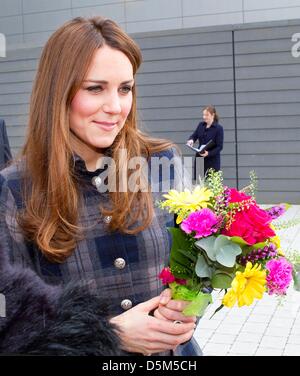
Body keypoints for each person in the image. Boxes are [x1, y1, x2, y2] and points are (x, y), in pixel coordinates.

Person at [0, 16, 201, 356]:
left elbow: (194, 260)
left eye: (125, 88)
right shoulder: (14, 190)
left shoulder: (161, 162)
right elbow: (13, 320)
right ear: (58, 93)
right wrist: (107, 334)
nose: (115, 107)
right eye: (95, 88)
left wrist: (188, 304)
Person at [187, 106, 224, 178]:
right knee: (199, 183)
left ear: (213, 115)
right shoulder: (201, 125)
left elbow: (219, 147)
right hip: (200, 158)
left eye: (206, 115)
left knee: (211, 184)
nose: (204, 117)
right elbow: (194, 135)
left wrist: (208, 153)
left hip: (212, 161)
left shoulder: (218, 128)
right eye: (203, 115)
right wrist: (191, 140)